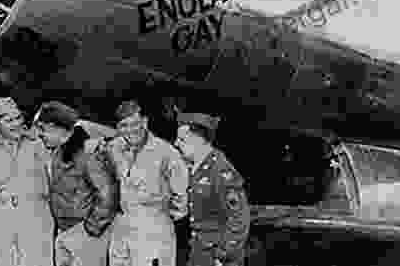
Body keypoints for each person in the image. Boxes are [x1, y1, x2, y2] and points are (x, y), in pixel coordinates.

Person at [32, 101, 120, 266]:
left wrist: (90, 230)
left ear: (56, 127)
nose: (40, 135)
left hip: (85, 234)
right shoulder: (59, 150)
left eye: (42, 129)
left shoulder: (90, 153)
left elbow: (108, 195)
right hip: (66, 232)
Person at [0, 97, 55, 266]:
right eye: (9, 120)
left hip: (37, 220)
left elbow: (57, 180)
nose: (16, 124)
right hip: (2, 223)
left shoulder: (39, 144)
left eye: (18, 118)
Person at [107, 100, 189, 266]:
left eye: (134, 124)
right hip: (121, 225)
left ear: (145, 121)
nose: (129, 131)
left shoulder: (166, 153)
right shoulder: (113, 148)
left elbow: (181, 196)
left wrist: (160, 215)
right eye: (124, 125)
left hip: (153, 228)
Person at [173, 112, 250, 266]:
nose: (176, 143)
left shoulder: (220, 170)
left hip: (217, 256)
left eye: (182, 139)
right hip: (198, 252)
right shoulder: (194, 169)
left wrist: (223, 255)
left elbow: (239, 219)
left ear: (200, 141)